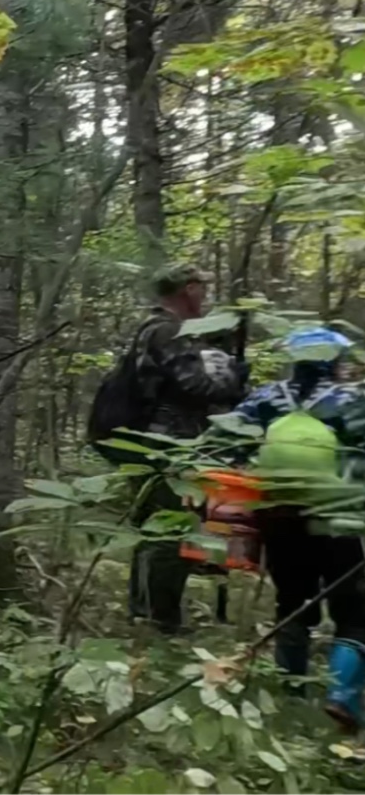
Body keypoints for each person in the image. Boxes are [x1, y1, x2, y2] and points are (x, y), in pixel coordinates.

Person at [228, 326, 365, 728]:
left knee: (292, 602)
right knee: (354, 611)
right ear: (336, 361)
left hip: (279, 515)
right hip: (339, 515)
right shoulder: (352, 399)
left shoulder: (267, 397)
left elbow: (228, 440)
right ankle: (342, 697)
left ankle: (291, 696)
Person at [122, 263, 248, 634]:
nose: (204, 295)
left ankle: (144, 611)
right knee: (170, 530)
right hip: (172, 441)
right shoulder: (169, 330)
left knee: (154, 529)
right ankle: (160, 620)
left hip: (157, 438)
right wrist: (233, 379)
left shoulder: (154, 326)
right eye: (200, 288)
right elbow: (193, 386)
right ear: (188, 289)